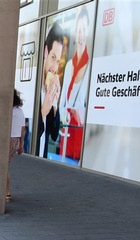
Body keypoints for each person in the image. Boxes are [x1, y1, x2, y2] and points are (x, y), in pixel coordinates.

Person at [59, 6, 90, 162]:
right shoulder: (70, 65)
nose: (81, 34)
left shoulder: (90, 65)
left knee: (76, 164)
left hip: (79, 127)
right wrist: (62, 117)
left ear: (88, 31)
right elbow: (63, 99)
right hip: (67, 126)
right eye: (78, 29)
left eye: (84, 29)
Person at [36, 22, 65, 158]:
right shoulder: (36, 89)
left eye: (58, 61)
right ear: (46, 52)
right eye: (53, 57)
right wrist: (42, 112)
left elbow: (54, 135)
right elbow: (30, 137)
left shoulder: (49, 89)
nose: (54, 67)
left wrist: (55, 104)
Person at [7, 89, 25, 202]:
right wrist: (20, 144)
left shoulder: (9, 111)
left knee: (2, 168)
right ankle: (6, 192)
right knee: (4, 167)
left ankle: (7, 193)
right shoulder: (19, 111)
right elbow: (23, 129)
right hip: (15, 140)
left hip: (7, 139)